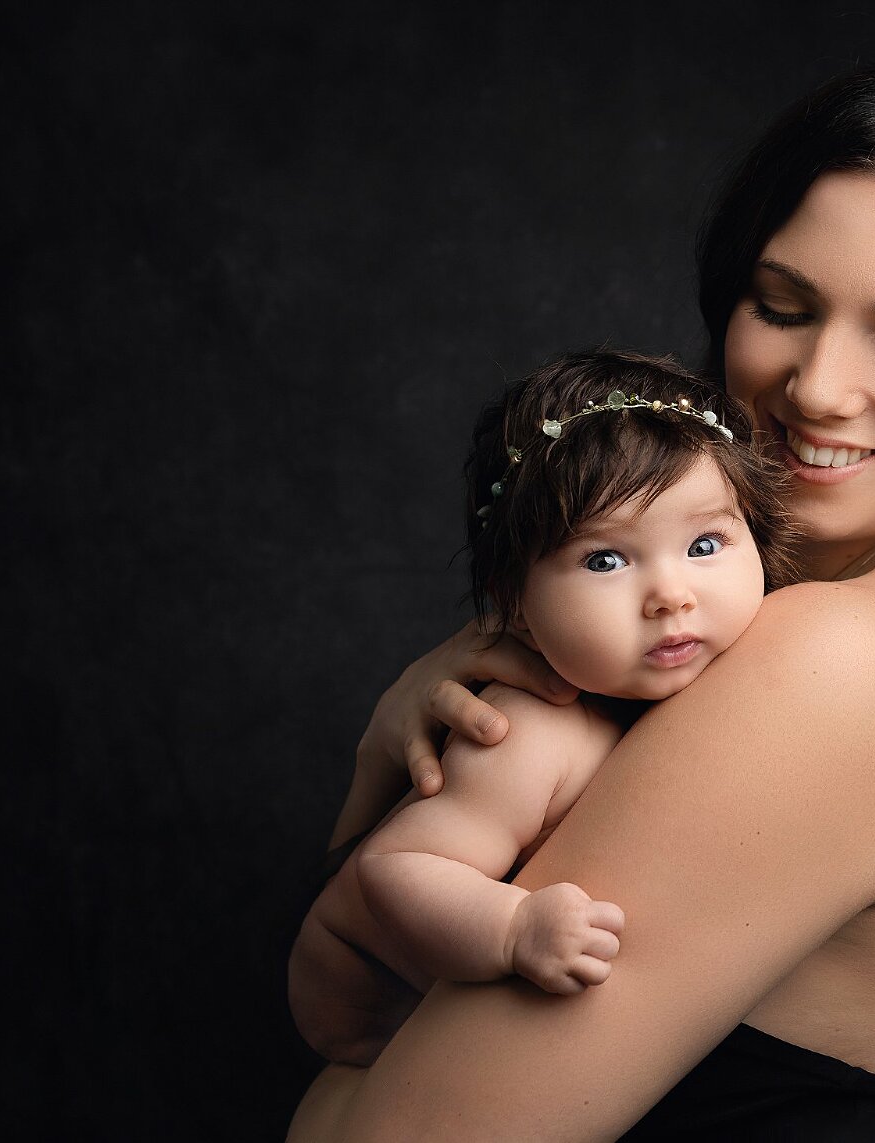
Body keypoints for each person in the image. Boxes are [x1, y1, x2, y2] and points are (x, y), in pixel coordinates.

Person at [288, 53, 875, 1141]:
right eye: (782, 306)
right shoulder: (840, 622)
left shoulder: (833, 666)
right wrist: (418, 725)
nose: (814, 389)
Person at [290, 349, 800, 1066]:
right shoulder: (530, 729)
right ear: (516, 607)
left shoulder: (750, 670)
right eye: (605, 560)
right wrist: (513, 926)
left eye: (705, 543)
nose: (671, 595)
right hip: (367, 995)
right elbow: (397, 867)